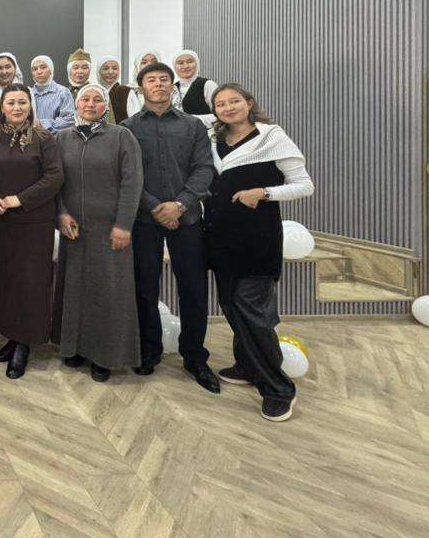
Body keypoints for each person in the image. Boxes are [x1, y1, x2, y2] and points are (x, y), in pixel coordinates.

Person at [205, 84, 314, 422]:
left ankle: (278, 389)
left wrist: (263, 192)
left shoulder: (272, 137)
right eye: (221, 104)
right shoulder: (214, 141)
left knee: (250, 307)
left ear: (249, 103)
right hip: (221, 235)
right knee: (230, 304)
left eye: (234, 101)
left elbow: (304, 185)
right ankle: (247, 365)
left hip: (257, 237)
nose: (228, 108)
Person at [123, 61, 219, 393]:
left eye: (164, 80)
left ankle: (195, 357)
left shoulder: (193, 126)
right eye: (151, 80)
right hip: (144, 220)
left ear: (172, 87)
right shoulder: (127, 128)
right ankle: (149, 351)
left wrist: (179, 204)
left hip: (187, 218)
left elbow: (204, 169)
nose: (159, 84)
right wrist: (154, 206)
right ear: (142, 89)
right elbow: (127, 175)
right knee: (144, 288)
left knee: (193, 289)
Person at [53, 84, 143, 382]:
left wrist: (124, 224)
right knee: (75, 290)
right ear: (76, 104)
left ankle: (105, 356)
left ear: (106, 106)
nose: (90, 104)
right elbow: (55, 182)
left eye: (97, 100)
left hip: (110, 230)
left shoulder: (121, 136)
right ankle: (74, 347)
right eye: (85, 99)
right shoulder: (62, 138)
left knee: (108, 292)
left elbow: (132, 182)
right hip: (74, 230)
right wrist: (61, 213)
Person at [0, 83, 64, 379]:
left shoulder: (44, 138)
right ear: (2, 107)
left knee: (31, 283)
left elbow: (55, 177)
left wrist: (19, 200)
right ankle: (11, 335)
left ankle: (24, 344)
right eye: (11, 102)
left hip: (34, 221)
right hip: (1, 221)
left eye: (22, 102)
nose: (16, 108)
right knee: (6, 281)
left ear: (31, 106)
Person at [172, 49, 218, 126]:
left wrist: (189, 120)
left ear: (197, 64)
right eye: (180, 63)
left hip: (204, 132)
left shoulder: (208, 85)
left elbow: (219, 115)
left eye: (190, 62)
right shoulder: (172, 88)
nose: (185, 66)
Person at [29, 55, 75, 132]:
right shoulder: (28, 93)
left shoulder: (63, 92)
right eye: (35, 69)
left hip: (56, 138)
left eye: (43, 67)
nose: (39, 72)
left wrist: (43, 124)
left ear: (51, 69)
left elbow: (69, 120)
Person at [125, 50, 163, 119]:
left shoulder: (169, 89)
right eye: (144, 62)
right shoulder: (127, 90)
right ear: (137, 66)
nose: (149, 65)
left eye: (154, 62)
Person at [96, 55, 131, 124]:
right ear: (98, 71)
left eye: (115, 68)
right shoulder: (94, 91)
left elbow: (136, 120)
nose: (111, 72)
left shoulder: (126, 92)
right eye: (106, 68)